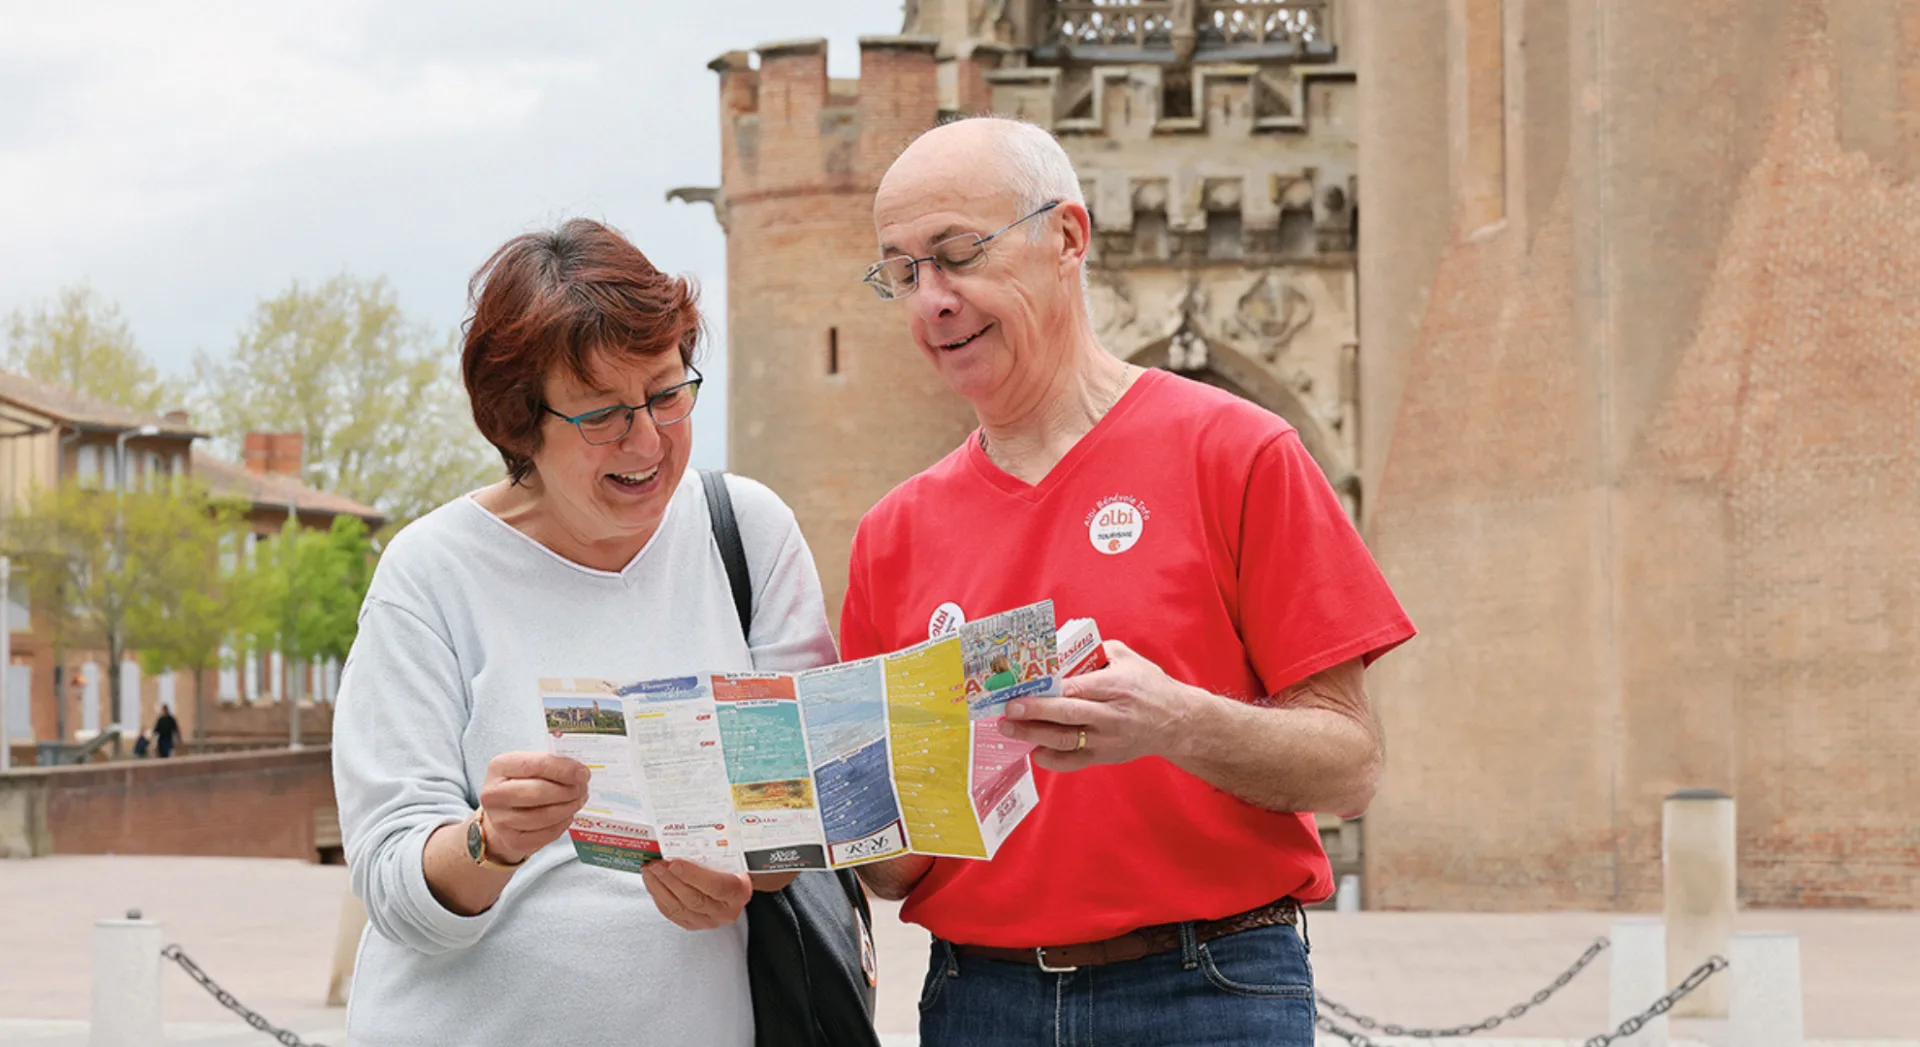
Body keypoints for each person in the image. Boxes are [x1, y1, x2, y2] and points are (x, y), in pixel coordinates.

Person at [839, 118, 1417, 1046]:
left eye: (957, 255)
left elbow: (1351, 766)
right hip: (976, 999)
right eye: (903, 272)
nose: (932, 300)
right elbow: (894, 872)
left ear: (1068, 238)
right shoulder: (892, 534)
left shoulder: (1238, 452)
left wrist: (1178, 722)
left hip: (1209, 989)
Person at [331, 218, 839, 1047]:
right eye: (601, 413)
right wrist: (490, 842)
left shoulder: (746, 531)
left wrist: (749, 872)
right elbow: (390, 885)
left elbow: (795, 829)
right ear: (518, 423)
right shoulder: (429, 573)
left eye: (668, 393)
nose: (647, 440)